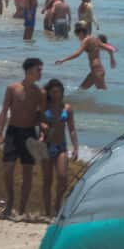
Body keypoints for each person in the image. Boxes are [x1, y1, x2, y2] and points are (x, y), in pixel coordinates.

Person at [0, 57, 44, 217]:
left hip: (30, 134)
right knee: (8, 169)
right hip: (13, 132)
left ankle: (22, 208)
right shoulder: (12, 88)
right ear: (30, 71)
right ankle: (10, 201)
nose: (41, 72)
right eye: (39, 69)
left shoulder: (40, 93)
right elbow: (4, 111)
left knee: (27, 172)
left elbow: (42, 116)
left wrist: (43, 133)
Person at [38, 78, 78, 217]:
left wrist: (75, 147)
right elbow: (37, 121)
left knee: (62, 177)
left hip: (61, 146)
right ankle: (48, 212)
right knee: (47, 180)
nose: (56, 94)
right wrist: (42, 126)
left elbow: (72, 129)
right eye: (53, 92)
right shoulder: (44, 107)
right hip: (45, 146)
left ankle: (57, 203)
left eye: (59, 92)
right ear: (49, 92)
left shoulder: (67, 108)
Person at [54, 21, 116, 90]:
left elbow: (78, 53)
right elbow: (110, 49)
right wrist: (112, 59)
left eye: (78, 36)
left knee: (104, 92)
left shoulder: (86, 40)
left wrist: (63, 60)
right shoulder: (95, 39)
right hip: (96, 70)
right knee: (81, 89)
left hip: (96, 70)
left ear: (81, 33)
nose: (78, 38)